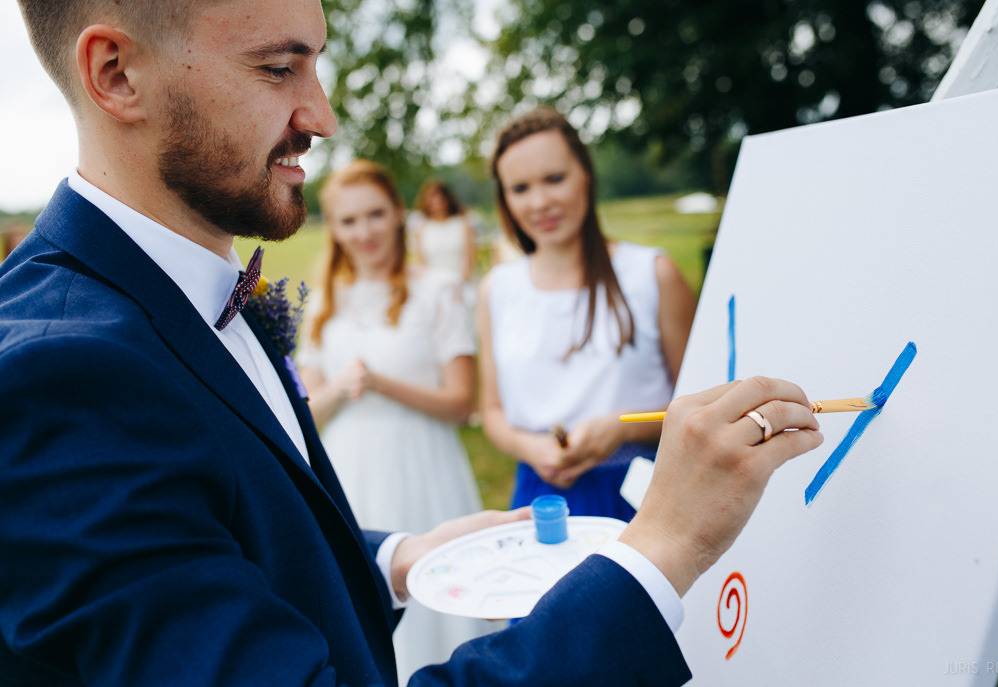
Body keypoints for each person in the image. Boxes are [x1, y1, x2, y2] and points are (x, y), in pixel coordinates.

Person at [0, 1, 824, 685]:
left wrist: (396, 556)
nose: (320, 115)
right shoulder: (61, 375)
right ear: (116, 73)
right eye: (278, 68)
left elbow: (222, 526)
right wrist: (662, 550)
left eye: (316, 64)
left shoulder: (186, 281)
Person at [298, 159, 490, 682]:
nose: (364, 232)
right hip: (350, 471)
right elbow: (306, 414)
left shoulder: (437, 290)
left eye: (376, 215)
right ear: (333, 227)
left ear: (398, 216)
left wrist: (384, 383)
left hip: (424, 464)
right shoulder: (321, 304)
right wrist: (340, 388)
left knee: (437, 598)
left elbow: (460, 401)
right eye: (349, 220)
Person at [478, 106, 699, 521]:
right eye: (520, 188)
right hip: (542, 496)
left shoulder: (651, 273)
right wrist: (534, 449)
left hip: (645, 492)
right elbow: (491, 412)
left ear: (586, 175)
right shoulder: (498, 289)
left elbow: (700, 403)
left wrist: (623, 427)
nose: (540, 201)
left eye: (554, 179)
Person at [411, 178, 478, 307]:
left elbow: (469, 258)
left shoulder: (463, 223)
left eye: (440, 199)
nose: (437, 204)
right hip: (433, 287)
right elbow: (421, 261)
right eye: (432, 200)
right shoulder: (421, 228)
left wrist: (460, 285)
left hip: (461, 285)